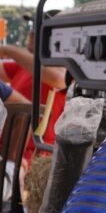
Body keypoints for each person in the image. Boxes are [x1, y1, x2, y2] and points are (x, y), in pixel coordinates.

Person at [0, 13, 67, 148]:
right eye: (32, 29)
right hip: (12, 149)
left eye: (38, 31)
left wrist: (8, 50)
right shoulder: (24, 65)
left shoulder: (65, 68)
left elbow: (58, 78)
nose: (31, 34)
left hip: (34, 155)